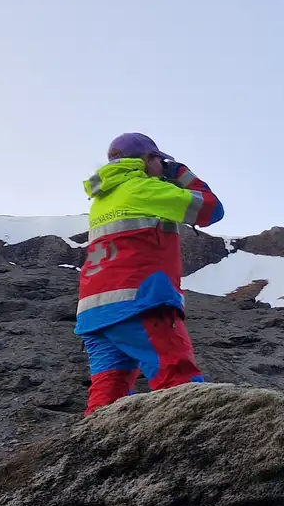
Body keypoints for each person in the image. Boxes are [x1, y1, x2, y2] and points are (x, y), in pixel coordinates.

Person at [76, 133, 225, 414]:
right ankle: (193, 448)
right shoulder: (143, 189)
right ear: (146, 159)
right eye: (160, 159)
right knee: (177, 379)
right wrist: (180, 173)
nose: (163, 165)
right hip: (139, 300)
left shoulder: (102, 198)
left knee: (107, 395)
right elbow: (211, 209)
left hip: (95, 311)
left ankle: (94, 452)